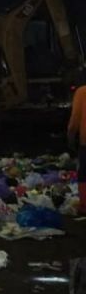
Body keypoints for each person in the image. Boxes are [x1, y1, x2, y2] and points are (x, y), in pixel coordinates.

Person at [67, 76, 86, 214]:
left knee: (84, 174)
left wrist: (71, 138)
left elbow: (74, 121)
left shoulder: (82, 92)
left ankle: (84, 206)